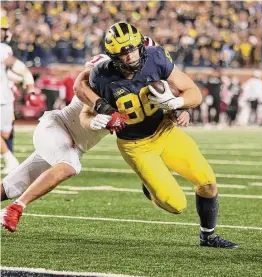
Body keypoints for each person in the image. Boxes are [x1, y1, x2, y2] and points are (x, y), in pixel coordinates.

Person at [0, 37, 191, 232]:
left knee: (9, 187)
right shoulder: (105, 70)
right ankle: (15, 209)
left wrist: (179, 109)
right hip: (58, 128)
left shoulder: (147, 85)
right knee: (69, 166)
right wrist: (96, 118)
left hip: (74, 145)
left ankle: (13, 201)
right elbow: (82, 89)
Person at [83, 22, 239, 248]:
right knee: (176, 205)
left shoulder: (156, 57)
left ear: (141, 45)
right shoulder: (101, 75)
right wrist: (94, 121)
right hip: (136, 145)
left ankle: (208, 236)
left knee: (207, 182)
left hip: (165, 131)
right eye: (123, 53)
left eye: (133, 49)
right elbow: (84, 115)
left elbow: (193, 92)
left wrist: (178, 104)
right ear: (112, 56)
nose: (130, 56)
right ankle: (150, 187)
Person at [0, 12, 36, 174]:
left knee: (5, 134)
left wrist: (29, 86)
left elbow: (19, 69)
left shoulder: (4, 49)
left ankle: (8, 157)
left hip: (5, 97)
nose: (4, 32)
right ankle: (9, 158)